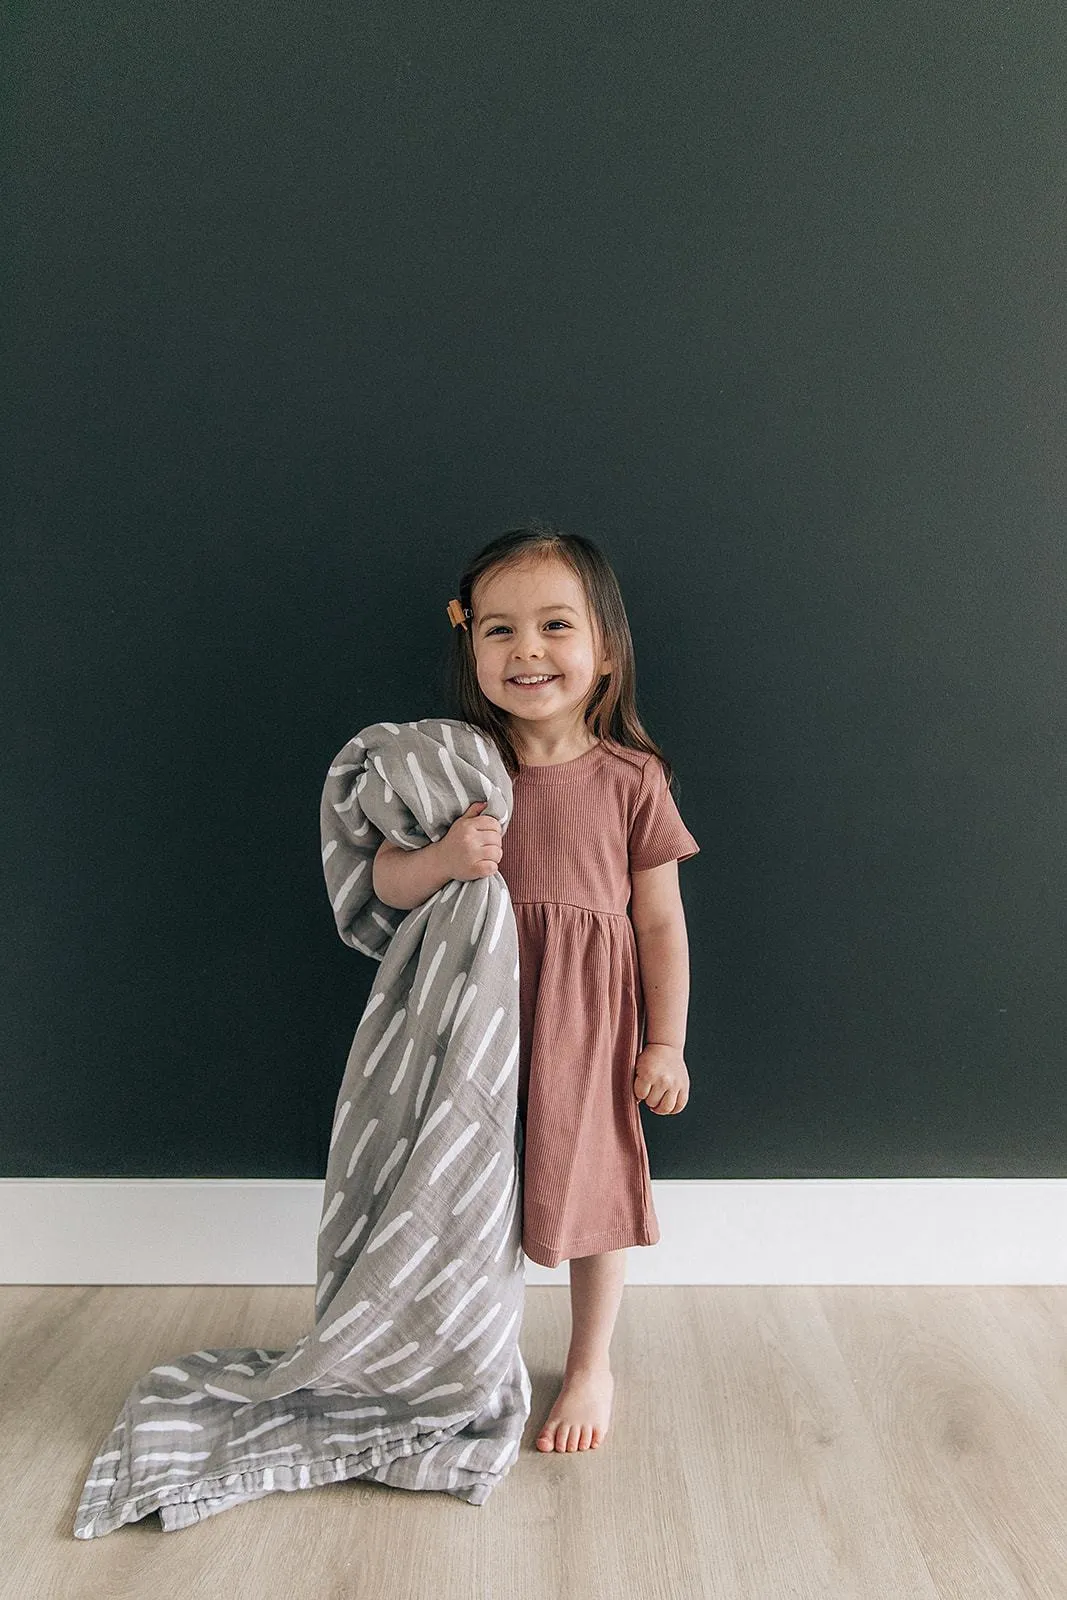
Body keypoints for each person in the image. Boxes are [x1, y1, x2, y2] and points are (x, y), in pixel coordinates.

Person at [372, 521, 699, 1457]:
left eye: (556, 626)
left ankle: (590, 1361)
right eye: (499, 630)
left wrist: (665, 1043)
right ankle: (465, 1353)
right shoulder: (454, 772)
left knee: (593, 1192)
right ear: (468, 643)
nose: (527, 651)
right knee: (464, 1194)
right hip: (470, 1024)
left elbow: (661, 924)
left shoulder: (634, 780)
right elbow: (383, 886)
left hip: (585, 1026)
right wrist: (440, 856)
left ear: (603, 652)